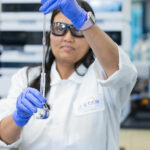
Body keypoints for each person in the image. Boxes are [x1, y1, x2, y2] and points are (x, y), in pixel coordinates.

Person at [0, 0, 137, 150]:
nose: (68, 38)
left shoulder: (103, 76)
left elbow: (122, 71)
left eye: (77, 29)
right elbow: (4, 137)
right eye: (59, 28)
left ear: (90, 38)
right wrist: (18, 117)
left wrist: (85, 22)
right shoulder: (25, 77)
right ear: (49, 35)